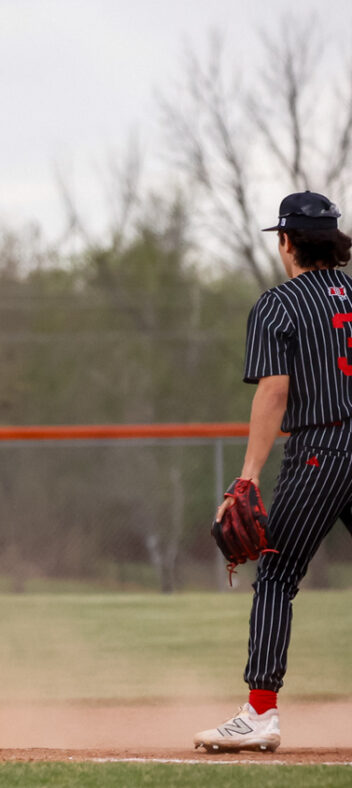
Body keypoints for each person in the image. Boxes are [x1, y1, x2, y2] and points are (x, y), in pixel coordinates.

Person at [195, 191, 352, 753]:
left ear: (287, 242)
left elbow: (276, 390)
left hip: (322, 450)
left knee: (278, 576)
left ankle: (260, 712)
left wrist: (248, 476)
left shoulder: (279, 305)